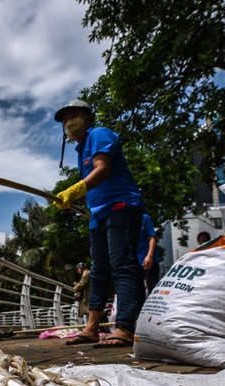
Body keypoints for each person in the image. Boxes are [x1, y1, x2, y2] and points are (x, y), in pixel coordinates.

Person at [54, 99, 145, 349]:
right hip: (98, 214)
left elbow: (102, 169)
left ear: (87, 117)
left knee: (122, 266)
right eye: (64, 119)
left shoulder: (100, 134)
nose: (68, 122)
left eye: (73, 115)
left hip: (121, 207)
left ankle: (124, 328)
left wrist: (74, 189)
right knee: (99, 271)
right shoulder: (80, 148)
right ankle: (91, 328)